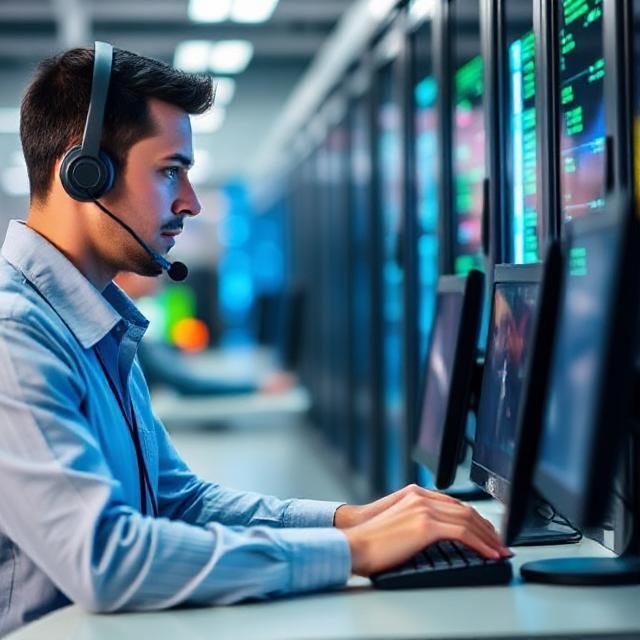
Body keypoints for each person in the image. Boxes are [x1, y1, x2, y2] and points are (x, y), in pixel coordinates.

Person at [0, 44, 510, 636]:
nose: (189, 201)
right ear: (84, 173)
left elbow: (178, 502)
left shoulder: (91, 320)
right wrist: (355, 553)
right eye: (171, 170)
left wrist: (350, 521)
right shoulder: (18, 336)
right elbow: (106, 561)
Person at [114, 271, 294, 396]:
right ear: (121, 276)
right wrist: (258, 386)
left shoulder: (129, 322)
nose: (159, 274)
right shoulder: (121, 329)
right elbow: (187, 383)